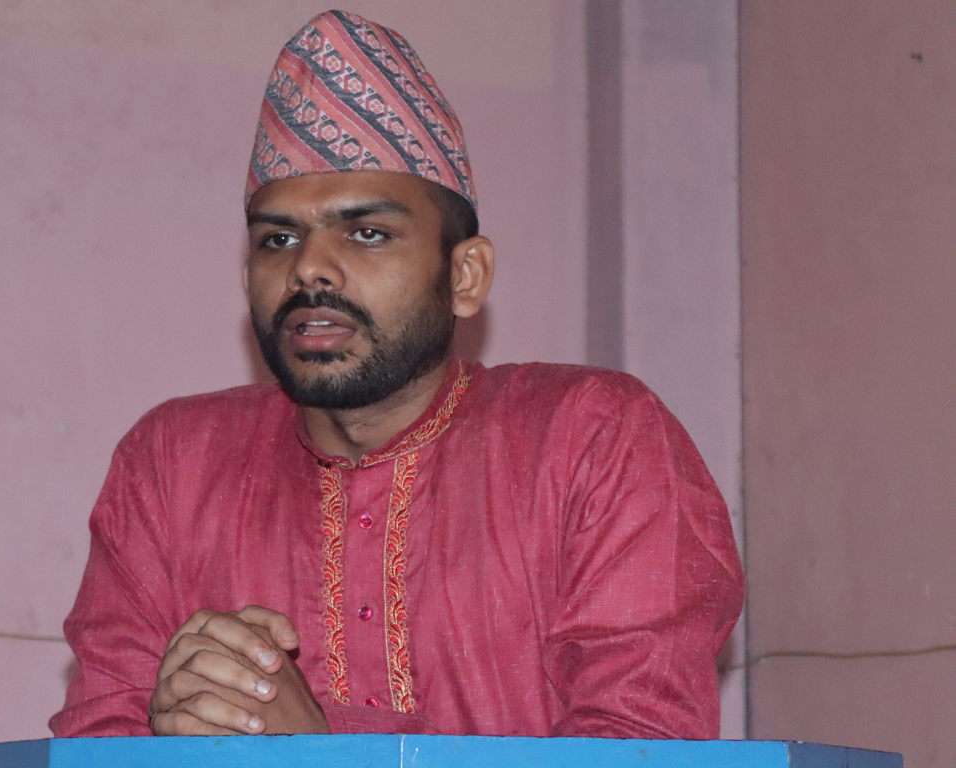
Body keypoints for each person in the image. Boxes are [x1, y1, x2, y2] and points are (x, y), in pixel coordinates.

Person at [48, 10, 743, 739]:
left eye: (367, 233)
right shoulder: (173, 465)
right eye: (278, 238)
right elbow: (97, 738)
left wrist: (309, 756)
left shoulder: (593, 438)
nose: (309, 268)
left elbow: (639, 746)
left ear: (465, 275)